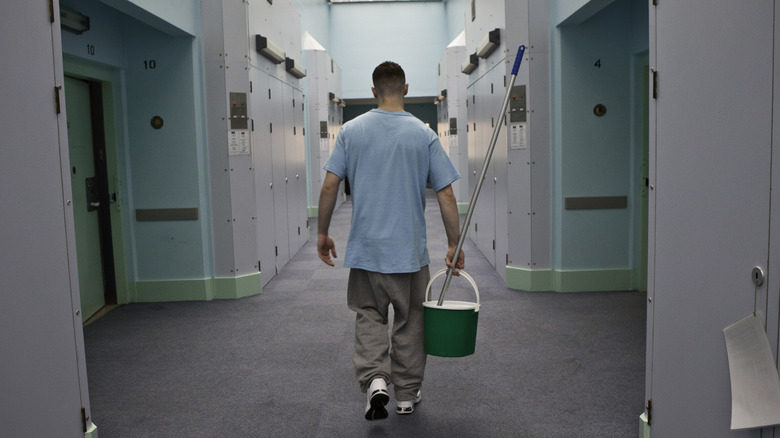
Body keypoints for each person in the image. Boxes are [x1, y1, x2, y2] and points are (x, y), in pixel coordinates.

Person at [317, 61, 465, 421]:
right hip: (409, 253)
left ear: (372, 92)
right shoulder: (423, 134)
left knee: (368, 314)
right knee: (412, 320)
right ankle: (406, 393)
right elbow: (445, 194)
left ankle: (375, 380)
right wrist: (454, 244)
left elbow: (330, 185)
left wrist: (321, 233)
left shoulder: (351, 130)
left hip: (366, 251)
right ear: (406, 89)